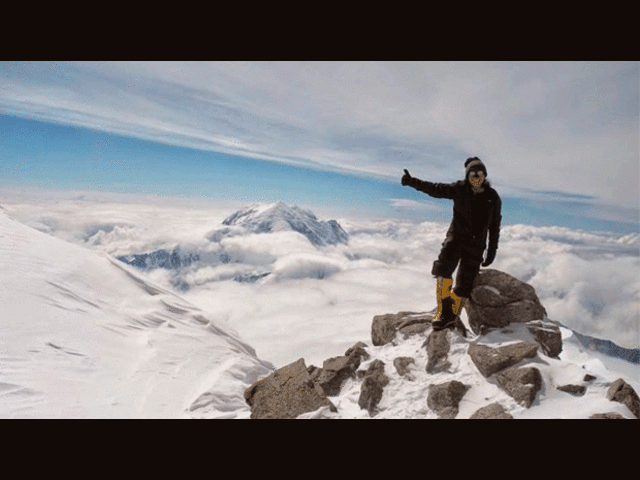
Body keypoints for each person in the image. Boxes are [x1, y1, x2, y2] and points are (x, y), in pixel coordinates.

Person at [401, 157, 502, 331]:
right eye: (472, 174)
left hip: (476, 247)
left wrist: (492, 250)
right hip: (455, 240)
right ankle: (442, 310)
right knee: (442, 271)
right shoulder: (459, 189)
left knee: (464, 285)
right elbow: (434, 189)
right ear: (467, 176)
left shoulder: (492, 198)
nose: (476, 177)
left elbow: (495, 226)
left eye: (479, 174)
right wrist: (412, 182)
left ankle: (451, 316)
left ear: (485, 176)